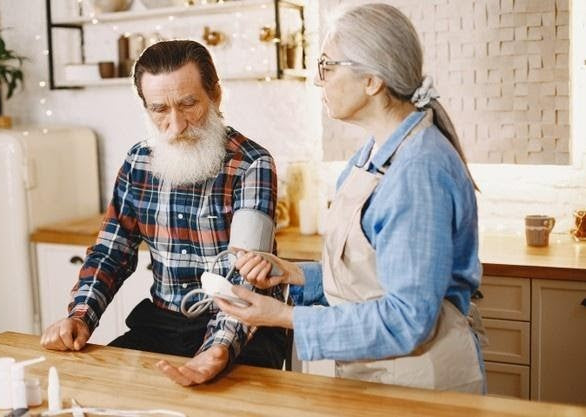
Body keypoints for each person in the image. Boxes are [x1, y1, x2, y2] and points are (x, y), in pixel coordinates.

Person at [216, 3, 486, 393]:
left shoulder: (418, 170)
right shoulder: (374, 153)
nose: (317, 80)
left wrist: (285, 317)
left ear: (372, 80)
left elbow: (407, 319)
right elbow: (370, 278)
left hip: (420, 383)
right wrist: (293, 274)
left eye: (327, 66)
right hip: (377, 371)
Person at [40, 40, 286, 386]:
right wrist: (80, 317)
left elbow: (247, 275)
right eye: (159, 109)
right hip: (163, 323)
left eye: (188, 104)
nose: (176, 124)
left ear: (215, 96)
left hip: (246, 328)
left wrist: (217, 349)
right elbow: (112, 252)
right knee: (102, 391)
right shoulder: (138, 162)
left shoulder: (252, 164)